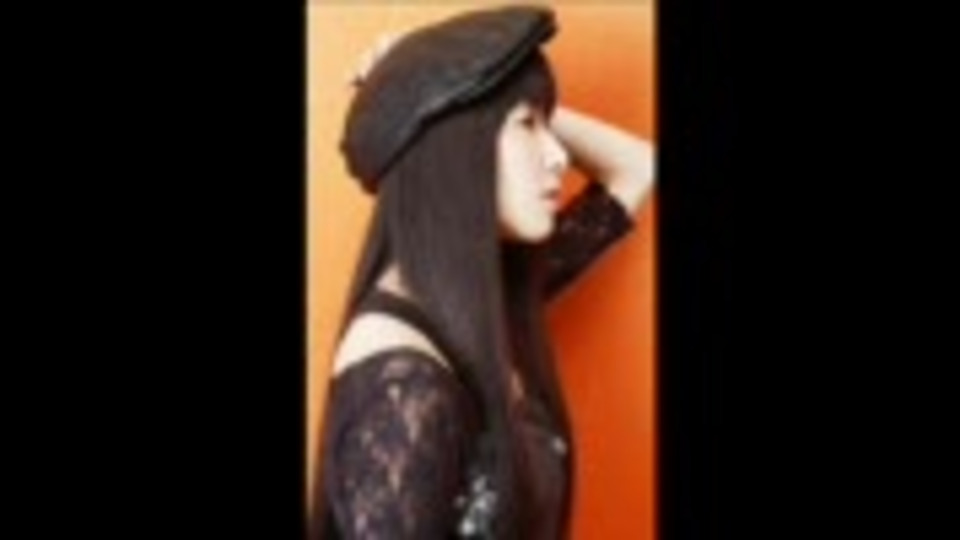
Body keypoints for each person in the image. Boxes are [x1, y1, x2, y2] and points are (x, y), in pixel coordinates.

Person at [309, 5, 655, 539]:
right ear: (456, 142)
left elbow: (637, 167)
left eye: (546, 125)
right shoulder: (403, 380)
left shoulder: (477, 297)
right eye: (526, 125)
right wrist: (444, 95)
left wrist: (458, 81)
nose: (558, 156)